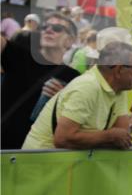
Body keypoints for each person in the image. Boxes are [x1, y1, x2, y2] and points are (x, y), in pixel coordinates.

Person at [22, 33, 132, 150]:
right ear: (119, 69)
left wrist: (126, 128)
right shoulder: (87, 87)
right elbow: (62, 139)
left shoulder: (118, 88)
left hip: (62, 165)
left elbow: (120, 134)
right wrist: (111, 135)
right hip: (39, 166)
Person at [1, 12, 80, 149]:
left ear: (70, 40)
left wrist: (63, 99)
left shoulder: (74, 77)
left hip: (35, 153)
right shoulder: (21, 56)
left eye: (57, 28)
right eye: (44, 27)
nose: (48, 30)